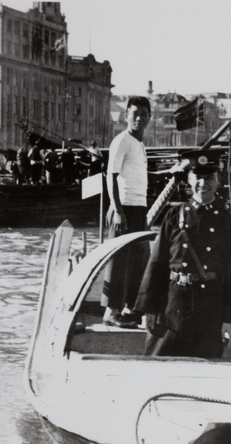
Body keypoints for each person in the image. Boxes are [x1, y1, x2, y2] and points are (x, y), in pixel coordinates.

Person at [134, 151, 231, 359]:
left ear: (218, 181)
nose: (203, 183)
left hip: (209, 316)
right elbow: (157, 264)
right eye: (198, 177)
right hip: (171, 311)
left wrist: (229, 320)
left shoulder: (229, 225)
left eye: (210, 178)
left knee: (204, 377)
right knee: (158, 370)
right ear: (189, 179)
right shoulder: (174, 216)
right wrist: (148, 309)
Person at [101, 96, 152, 328]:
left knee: (140, 261)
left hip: (139, 208)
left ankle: (131, 309)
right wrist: (118, 211)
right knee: (119, 262)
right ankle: (111, 312)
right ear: (126, 116)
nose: (139, 118)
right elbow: (110, 177)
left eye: (143, 114)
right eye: (134, 114)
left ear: (150, 117)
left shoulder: (139, 145)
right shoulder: (121, 140)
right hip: (124, 207)